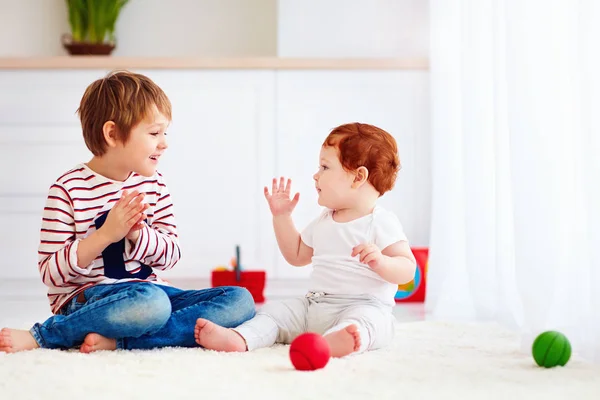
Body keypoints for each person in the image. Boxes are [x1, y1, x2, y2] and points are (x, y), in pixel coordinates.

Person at [0, 70, 255, 353]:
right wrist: (106, 235)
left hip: (152, 292)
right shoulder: (68, 189)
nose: (164, 142)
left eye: (165, 132)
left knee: (239, 299)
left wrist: (139, 234)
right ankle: (45, 335)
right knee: (151, 304)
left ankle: (121, 342)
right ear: (112, 134)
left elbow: (171, 256)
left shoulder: (154, 184)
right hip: (93, 298)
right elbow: (51, 273)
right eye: (154, 133)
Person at [194, 122, 416, 357]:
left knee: (368, 322)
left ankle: (340, 340)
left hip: (364, 306)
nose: (315, 175)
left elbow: (407, 269)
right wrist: (282, 217)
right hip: (314, 307)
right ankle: (241, 338)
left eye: (324, 167)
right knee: (276, 311)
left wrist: (382, 262)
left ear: (358, 177)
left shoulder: (380, 222)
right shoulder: (324, 220)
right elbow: (297, 255)